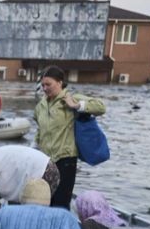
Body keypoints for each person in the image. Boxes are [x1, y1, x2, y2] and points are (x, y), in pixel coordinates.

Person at [33, 65, 105, 208]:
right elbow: (40, 130)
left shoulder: (70, 98)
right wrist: (33, 148)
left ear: (60, 83)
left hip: (65, 159)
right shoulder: (40, 106)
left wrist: (77, 106)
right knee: (45, 201)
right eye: (42, 85)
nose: (45, 88)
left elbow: (101, 107)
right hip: (46, 161)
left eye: (48, 84)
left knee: (60, 204)